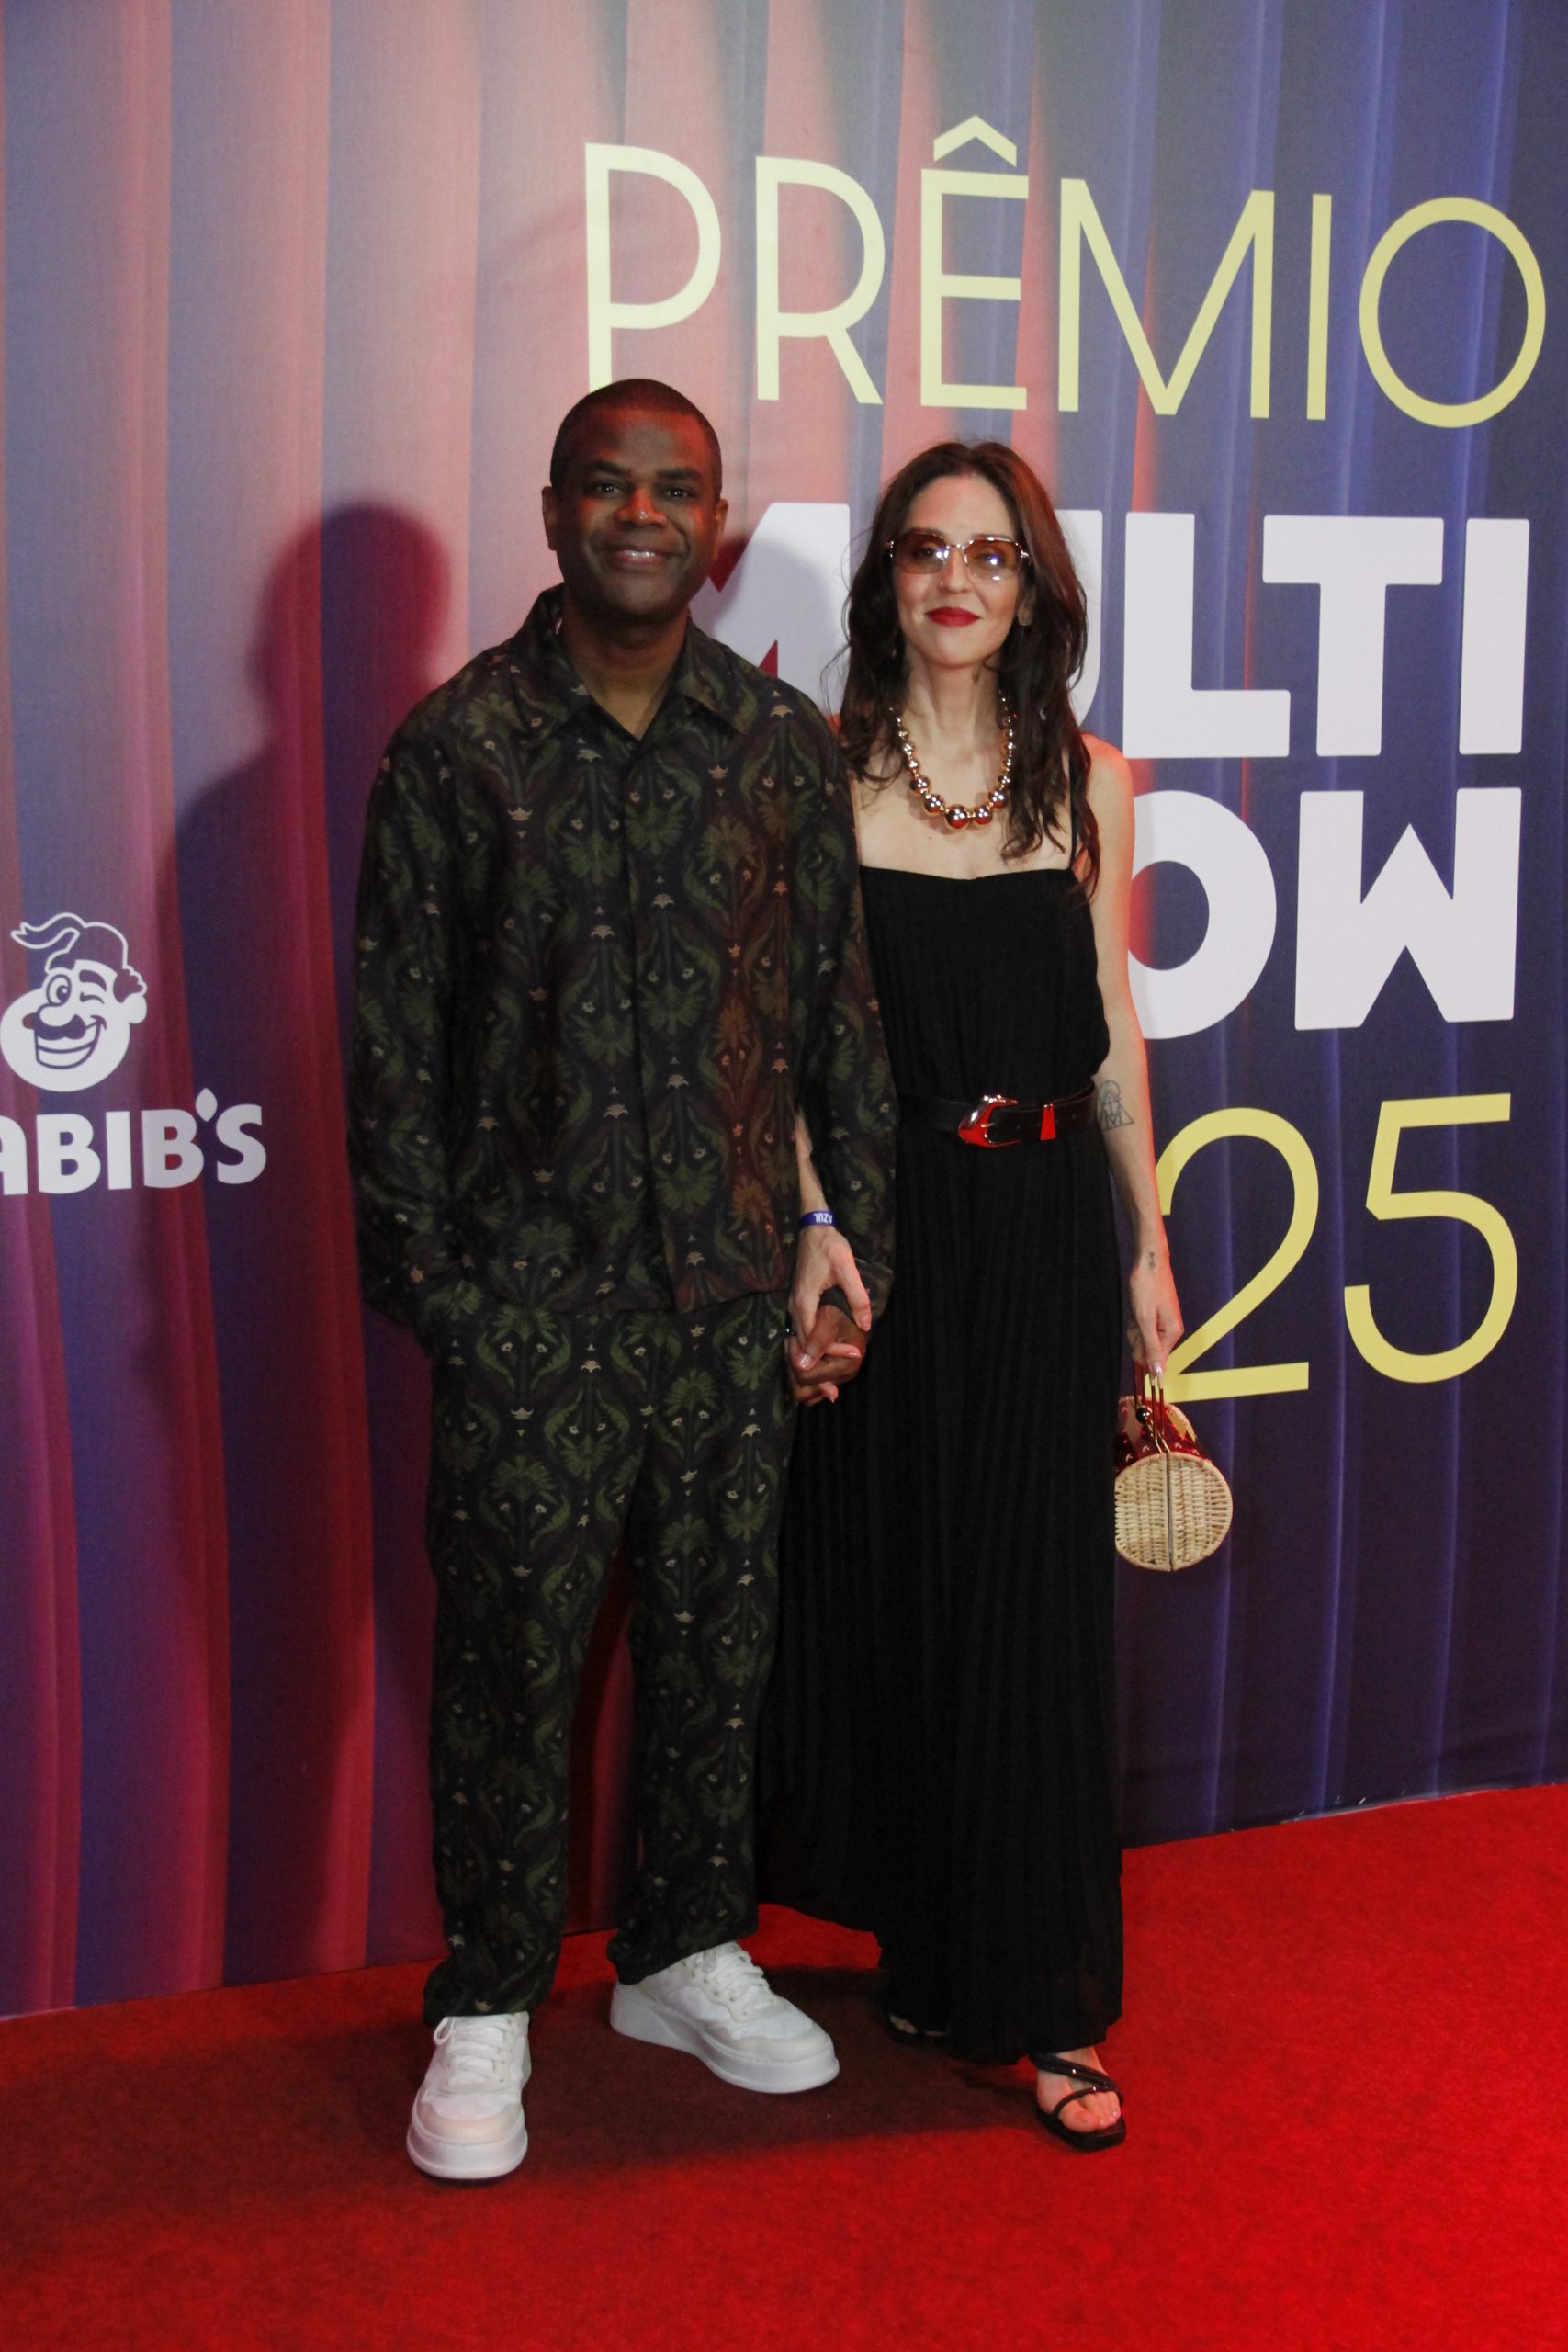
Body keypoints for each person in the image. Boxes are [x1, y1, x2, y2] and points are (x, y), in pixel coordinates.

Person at [348, 378, 896, 2180]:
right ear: (552, 510)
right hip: (534, 1316)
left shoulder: (776, 745)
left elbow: (834, 1022)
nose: (642, 513)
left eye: (675, 488)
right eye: (608, 482)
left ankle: (680, 1948)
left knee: (716, 1654)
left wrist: (846, 1252)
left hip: (733, 1304)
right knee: (509, 1670)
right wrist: (459, 1309)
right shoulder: (458, 748)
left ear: (714, 529)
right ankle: (490, 1997)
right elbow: (393, 1062)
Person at [765, 440, 1182, 2151]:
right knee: (903, 1589)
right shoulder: (818, 775)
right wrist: (814, 1221)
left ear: (1034, 589)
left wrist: (1146, 1241)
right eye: (927, 551)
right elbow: (786, 1042)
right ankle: (934, 1949)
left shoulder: (1093, 783)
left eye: (991, 555)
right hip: (885, 1231)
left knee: (1033, 1611)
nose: (958, 580)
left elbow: (1113, 1030)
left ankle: (1056, 2003)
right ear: (887, 581)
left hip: (1038, 1230)